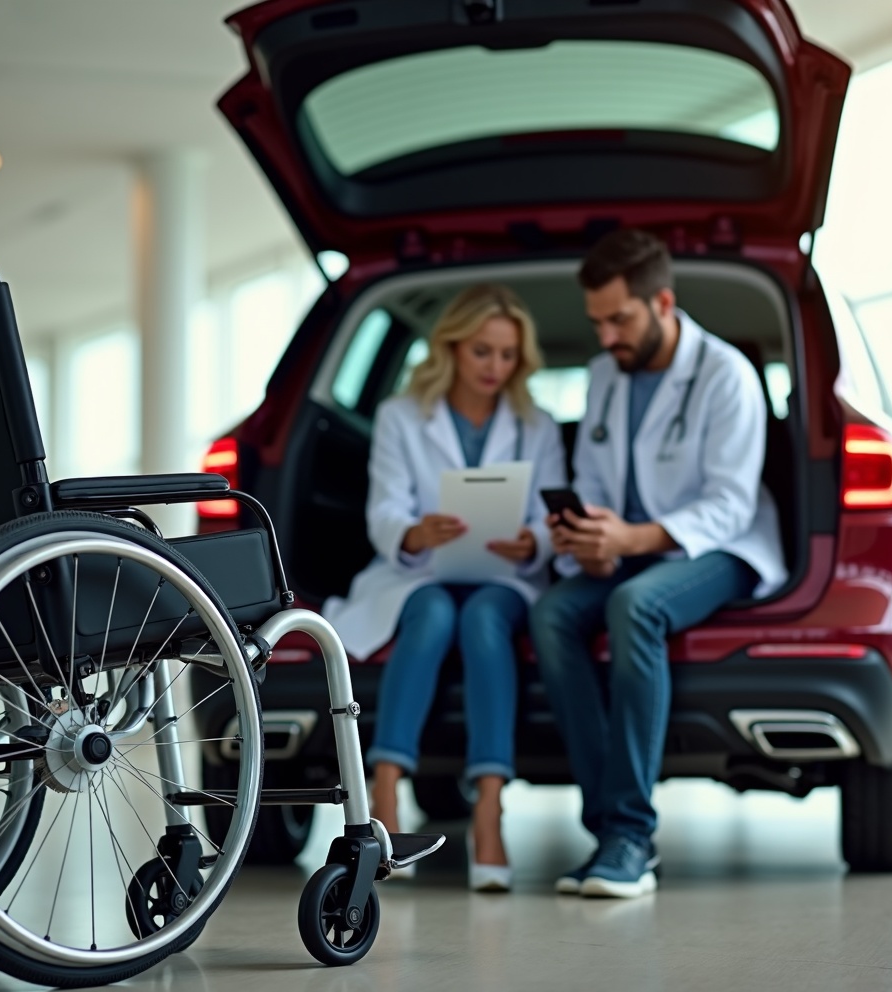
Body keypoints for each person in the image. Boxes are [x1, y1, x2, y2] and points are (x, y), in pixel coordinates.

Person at [531, 229, 786, 898]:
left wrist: (633, 541)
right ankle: (609, 828)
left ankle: (631, 837)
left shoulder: (726, 374)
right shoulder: (603, 375)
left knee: (634, 605)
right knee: (554, 613)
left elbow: (729, 504)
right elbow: (591, 473)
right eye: (597, 323)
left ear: (663, 302)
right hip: (623, 546)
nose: (607, 336)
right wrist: (584, 533)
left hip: (715, 548)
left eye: (620, 320)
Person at [324, 284, 566, 892]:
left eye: (508, 356)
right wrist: (414, 531)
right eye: (482, 352)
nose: (495, 368)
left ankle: (489, 807)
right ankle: (383, 795)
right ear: (452, 348)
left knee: (485, 621)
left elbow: (552, 517)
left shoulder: (538, 426)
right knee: (430, 615)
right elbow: (383, 511)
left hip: (504, 577)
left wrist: (532, 542)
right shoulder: (401, 416)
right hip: (421, 571)